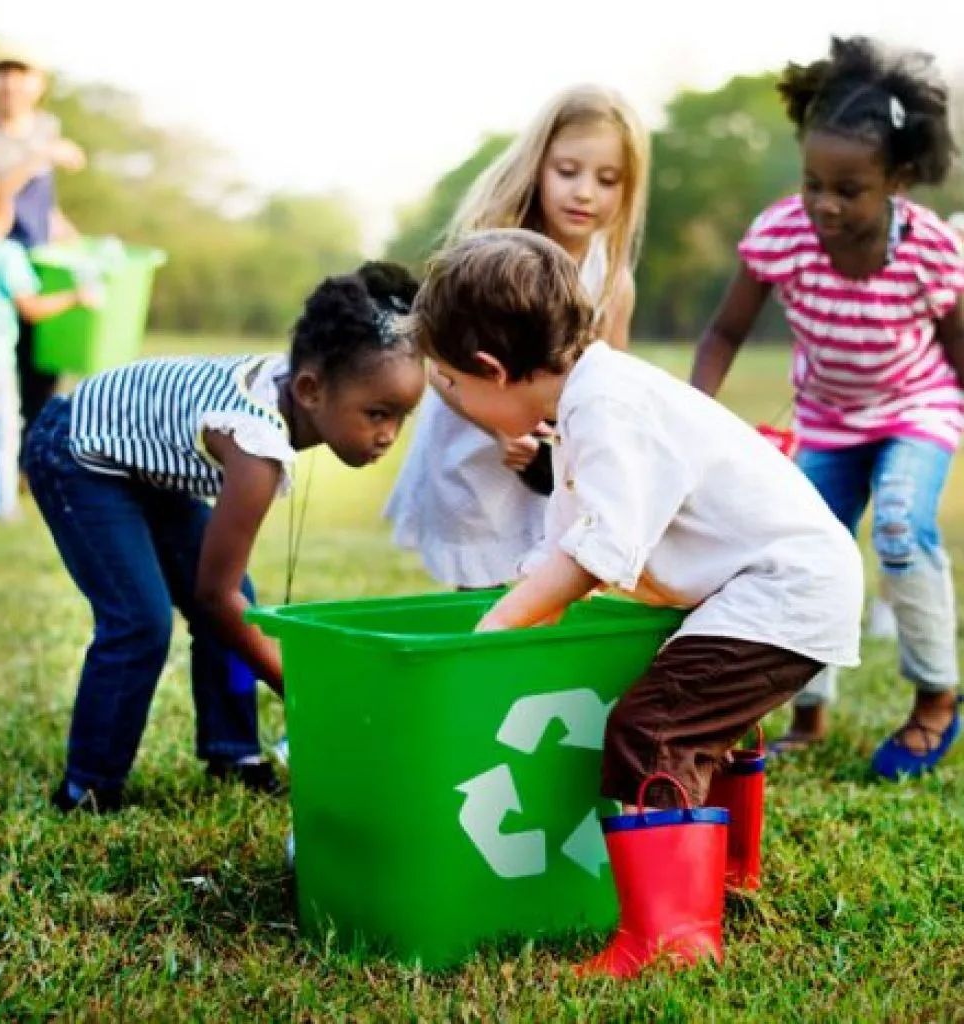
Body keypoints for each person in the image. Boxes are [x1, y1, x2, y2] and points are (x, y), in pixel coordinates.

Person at [410, 227, 862, 978]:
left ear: (491, 367)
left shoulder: (608, 408)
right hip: (772, 584)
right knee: (703, 718)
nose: (455, 402)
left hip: (781, 588)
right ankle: (725, 881)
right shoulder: (596, 397)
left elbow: (598, 551)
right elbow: (566, 542)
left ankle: (673, 939)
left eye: (453, 385)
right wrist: (527, 597)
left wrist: (499, 624)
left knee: (654, 729)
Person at [22, 263, 425, 812]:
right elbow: (214, 596)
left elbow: (226, 596)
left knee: (243, 606)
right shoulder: (255, 445)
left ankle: (233, 752)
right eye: (377, 414)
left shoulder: (294, 388)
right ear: (309, 389)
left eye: (402, 417)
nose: (388, 436)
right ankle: (88, 787)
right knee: (140, 621)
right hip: (75, 451)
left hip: (142, 467)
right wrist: (295, 685)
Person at [691, 36, 964, 777]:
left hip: (917, 406)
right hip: (830, 419)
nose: (824, 204)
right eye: (814, 182)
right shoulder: (783, 235)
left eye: (849, 189)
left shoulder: (932, 250)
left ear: (898, 180)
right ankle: (809, 711)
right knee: (807, 550)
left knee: (902, 526)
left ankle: (937, 698)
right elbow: (723, 333)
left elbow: (957, 350)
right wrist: (690, 421)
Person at [384, 84, 648, 589]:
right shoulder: (488, 255)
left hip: (549, 462)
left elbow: (608, 386)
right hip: (474, 447)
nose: (585, 192)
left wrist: (556, 447)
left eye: (608, 179)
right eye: (567, 171)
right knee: (482, 581)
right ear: (537, 166)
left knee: (547, 574)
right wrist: (500, 428)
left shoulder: (611, 281)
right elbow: (438, 362)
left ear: (627, 191)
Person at [0, 41, 87, 449]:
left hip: (38, 259)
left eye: (20, 73)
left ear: (38, 83)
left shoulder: (46, 125)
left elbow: (42, 202)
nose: (10, 82)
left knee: (41, 370)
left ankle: (32, 462)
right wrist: (38, 155)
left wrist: (67, 232)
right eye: (2, 71)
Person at [0, 170, 92, 519]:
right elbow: (32, 310)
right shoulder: (6, 255)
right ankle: (3, 508)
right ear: (3, 212)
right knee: (3, 430)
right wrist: (76, 297)